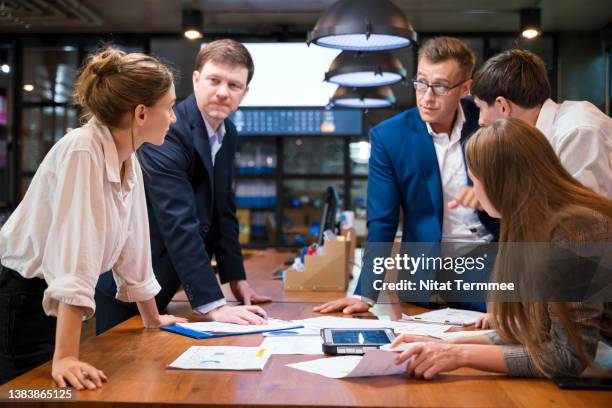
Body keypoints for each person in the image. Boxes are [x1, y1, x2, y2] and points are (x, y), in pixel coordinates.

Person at [0, 47, 187, 388]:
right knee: (29, 396)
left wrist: (153, 318)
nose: (174, 118)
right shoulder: (83, 150)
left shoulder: (128, 158)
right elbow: (76, 253)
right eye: (171, 107)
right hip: (21, 300)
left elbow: (134, 246)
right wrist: (67, 355)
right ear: (142, 113)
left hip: (52, 303)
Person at [391, 118, 612, 379]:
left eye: (476, 181)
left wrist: (458, 355)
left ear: (501, 183)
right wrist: (444, 344)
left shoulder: (577, 230)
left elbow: (567, 357)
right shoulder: (532, 223)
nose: (474, 192)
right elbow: (538, 333)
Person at [95, 39, 271, 334]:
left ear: (245, 92)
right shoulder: (165, 128)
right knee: (120, 374)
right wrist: (214, 305)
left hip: (164, 285)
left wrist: (236, 280)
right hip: (127, 288)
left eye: (234, 85)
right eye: (214, 80)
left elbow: (223, 210)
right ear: (197, 79)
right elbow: (178, 219)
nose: (223, 92)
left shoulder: (229, 133)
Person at [314, 37, 498, 315]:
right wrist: (365, 292)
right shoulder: (390, 137)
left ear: (464, 89)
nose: (427, 96)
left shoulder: (488, 123)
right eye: (421, 82)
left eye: (440, 86)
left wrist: (493, 195)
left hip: (487, 268)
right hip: (423, 275)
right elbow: (382, 220)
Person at [471, 48, 612, 197]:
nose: (480, 121)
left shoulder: (576, 132)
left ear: (502, 105)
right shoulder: (532, 138)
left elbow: (590, 215)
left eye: (480, 108)